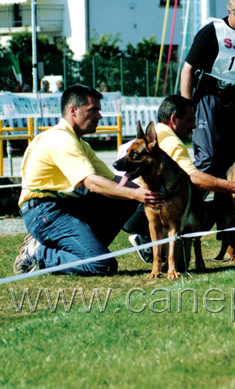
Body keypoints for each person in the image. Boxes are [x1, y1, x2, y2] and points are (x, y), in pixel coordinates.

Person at [13, 85, 163, 276]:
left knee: (124, 198)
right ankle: (40, 253)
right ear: (73, 110)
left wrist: (153, 191)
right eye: (93, 110)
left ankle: (86, 250)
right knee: (102, 265)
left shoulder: (79, 143)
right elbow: (92, 183)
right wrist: (138, 193)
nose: (99, 116)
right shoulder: (62, 140)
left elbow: (114, 181)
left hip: (63, 207)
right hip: (44, 211)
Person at [123, 95, 235, 260]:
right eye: (190, 120)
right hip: (140, 209)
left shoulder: (154, 135)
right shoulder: (171, 142)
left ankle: (151, 240)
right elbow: (195, 178)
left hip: (127, 211)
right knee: (200, 205)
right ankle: (146, 239)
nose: (194, 126)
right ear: (174, 118)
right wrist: (234, 187)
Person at [179, 0, 235, 229]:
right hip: (209, 100)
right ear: (230, 12)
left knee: (234, 166)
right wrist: (188, 109)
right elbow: (187, 70)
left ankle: (228, 235)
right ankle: (181, 217)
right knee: (207, 162)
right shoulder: (212, 31)